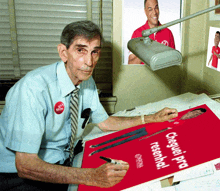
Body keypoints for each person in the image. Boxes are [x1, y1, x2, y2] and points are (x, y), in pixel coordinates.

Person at [0, 20, 178, 191]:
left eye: (94, 52)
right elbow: (25, 165)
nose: (89, 62)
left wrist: (151, 118)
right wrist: (91, 176)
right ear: (63, 52)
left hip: (62, 160)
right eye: (80, 51)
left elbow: (106, 123)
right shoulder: (33, 89)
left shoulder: (86, 80)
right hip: (17, 175)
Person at [128, 0, 176, 65]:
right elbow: (131, 64)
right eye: (150, 9)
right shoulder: (137, 33)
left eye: (156, 8)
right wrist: (145, 51)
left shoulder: (168, 33)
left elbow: (174, 62)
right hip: (143, 74)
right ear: (145, 11)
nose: (154, 13)